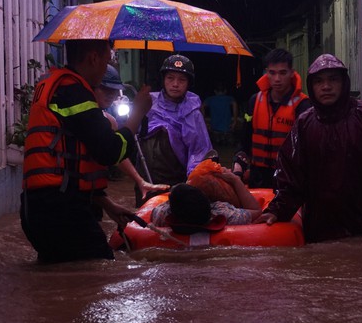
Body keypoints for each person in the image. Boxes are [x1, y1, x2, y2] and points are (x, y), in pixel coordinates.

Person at [255, 54, 362, 242]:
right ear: (312, 86)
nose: (326, 86)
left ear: (344, 83)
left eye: (333, 79)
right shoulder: (304, 124)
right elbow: (291, 177)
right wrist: (276, 211)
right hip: (320, 228)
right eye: (319, 81)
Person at [20, 39, 152, 263]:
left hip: (38, 209)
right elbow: (110, 152)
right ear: (94, 58)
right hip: (61, 212)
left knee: (65, 282)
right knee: (98, 273)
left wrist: (108, 205)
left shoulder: (59, 86)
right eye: (107, 60)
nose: (106, 67)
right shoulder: (74, 91)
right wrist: (137, 113)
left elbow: (69, 167)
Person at [134, 54, 213, 205]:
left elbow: (199, 152)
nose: (175, 84)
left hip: (174, 182)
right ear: (163, 80)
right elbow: (130, 134)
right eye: (170, 78)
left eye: (181, 80)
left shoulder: (193, 113)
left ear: (189, 83)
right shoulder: (148, 102)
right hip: (144, 175)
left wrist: (192, 183)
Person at [235, 48, 311, 188]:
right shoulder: (254, 101)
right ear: (266, 73)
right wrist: (238, 166)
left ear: (292, 73)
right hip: (258, 177)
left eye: (283, 73)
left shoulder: (303, 106)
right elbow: (245, 141)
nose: (277, 79)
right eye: (272, 73)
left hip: (289, 179)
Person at [94, 64, 170, 199]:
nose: (110, 94)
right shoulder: (84, 115)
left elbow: (117, 153)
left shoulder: (109, 119)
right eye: (105, 89)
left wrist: (140, 180)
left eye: (114, 90)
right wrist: (138, 111)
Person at [151, 167, 262, 234]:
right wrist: (235, 180)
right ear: (210, 203)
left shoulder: (161, 215)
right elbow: (256, 210)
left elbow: (154, 211)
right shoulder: (223, 213)